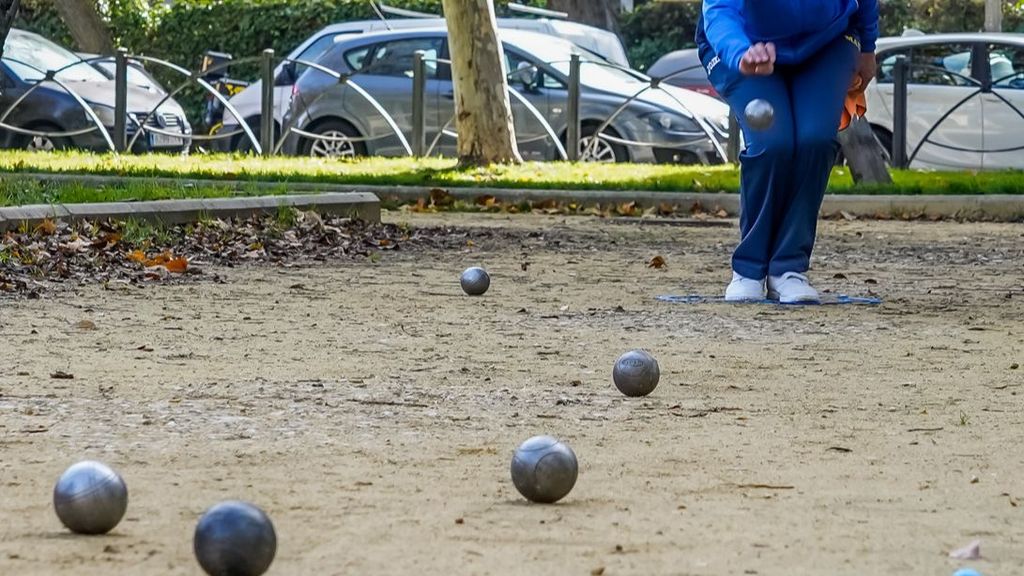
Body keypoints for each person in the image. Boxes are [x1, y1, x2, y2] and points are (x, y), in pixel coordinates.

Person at [696, 0, 879, 303]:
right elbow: (720, 10)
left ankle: (789, 268)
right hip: (744, 42)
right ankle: (749, 269)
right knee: (773, 144)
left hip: (827, 39)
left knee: (815, 140)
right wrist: (740, 51)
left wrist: (868, 46)